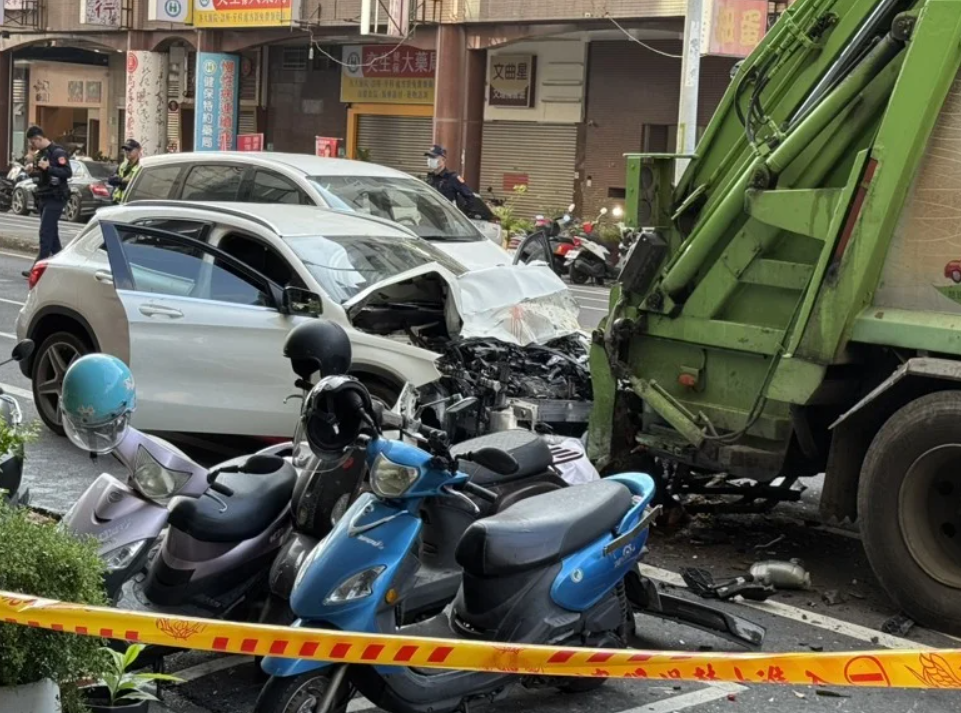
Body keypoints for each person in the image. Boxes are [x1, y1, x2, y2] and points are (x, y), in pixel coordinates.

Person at [21, 126, 72, 278]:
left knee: (45, 232)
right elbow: (40, 176)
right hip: (43, 196)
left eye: (32, 142)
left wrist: (49, 168)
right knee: (52, 235)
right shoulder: (40, 154)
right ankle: (63, 265)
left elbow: (67, 173)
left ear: (38, 138)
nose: (32, 146)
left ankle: (38, 268)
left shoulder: (58, 152)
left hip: (56, 197)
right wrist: (32, 171)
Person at [424, 144, 494, 222]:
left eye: (433, 157)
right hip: (427, 220)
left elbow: (470, 197)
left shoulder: (452, 178)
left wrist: (463, 214)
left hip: (445, 223)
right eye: (429, 157)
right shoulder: (428, 179)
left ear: (443, 160)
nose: (430, 160)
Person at [108, 139, 143, 204]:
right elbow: (110, 180)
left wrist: (126, 181)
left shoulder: (141, 166)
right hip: (117, 201)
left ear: (138, 150)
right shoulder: (123, 165)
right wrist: (123, 180)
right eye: (125, 150)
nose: (127, 152)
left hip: (131, 202)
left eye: (129, 149)